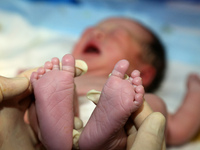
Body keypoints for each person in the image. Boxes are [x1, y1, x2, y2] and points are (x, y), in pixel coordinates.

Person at [30, 54, 166, 150]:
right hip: (72, 116)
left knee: (150, 102)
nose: (97, 32)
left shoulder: (61, 76)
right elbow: (179, 129)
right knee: (153, 106)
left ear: (145, 73)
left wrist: (25, 76)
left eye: (114, 34)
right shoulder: (64, 78)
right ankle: (109, 142)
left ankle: (51, 139)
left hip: (80, 113)